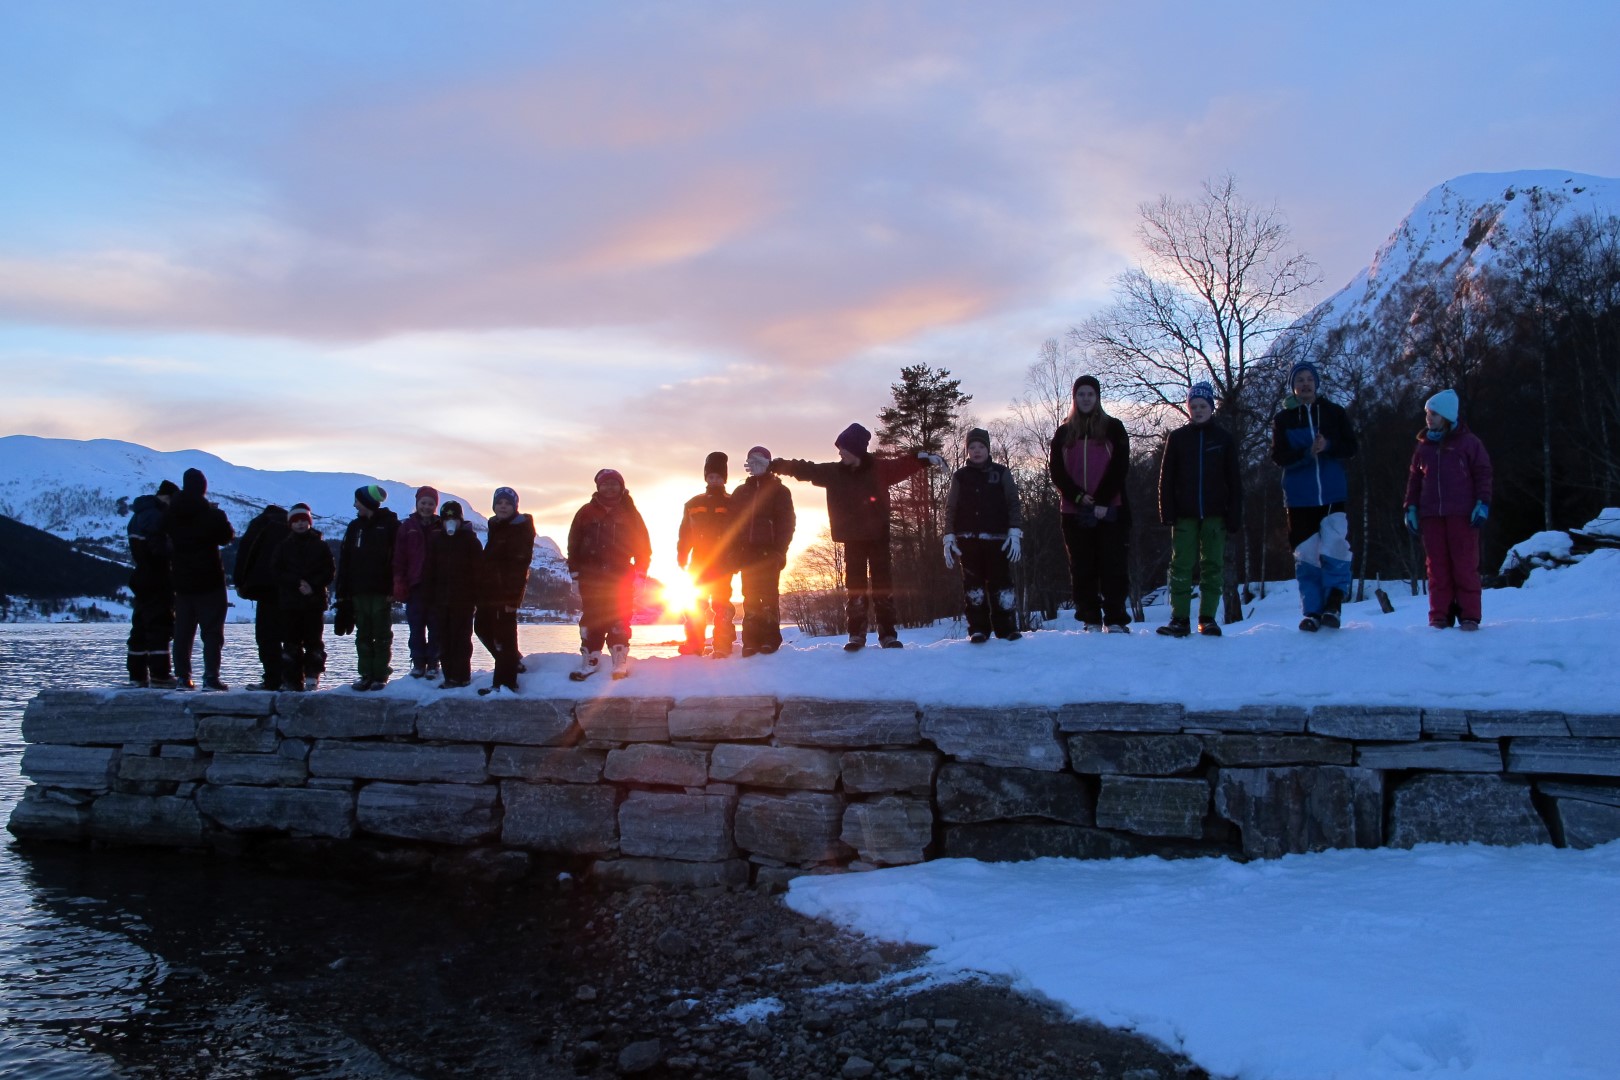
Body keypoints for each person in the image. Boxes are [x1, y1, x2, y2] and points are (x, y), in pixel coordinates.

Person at [773, 423, 940, 651]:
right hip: (852, 539)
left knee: (883, 586)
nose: (840, 453)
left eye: (843, 449)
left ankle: (888, 635)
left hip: (878, 537)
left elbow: (903, 465)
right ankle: (856, 635)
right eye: (839, 449)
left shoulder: (879, 469)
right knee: (855, 588)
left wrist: (923, 459)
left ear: (857, 450)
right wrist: (777, 465)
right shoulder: (835, 472)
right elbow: (807, 469)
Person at [1271, 360, 1359, 632]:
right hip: (1299, 498)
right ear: (1293, 387)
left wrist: (1328, 446)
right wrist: (1306, 454)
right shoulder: (1283, 420)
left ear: (1317, 383)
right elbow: (1278, 456)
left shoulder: (1333, 412)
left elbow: (1351, 447)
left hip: (1332, 493)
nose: (1305, 383)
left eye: (1309, 379)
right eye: (1300, 380)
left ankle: (1333, 603)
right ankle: (1312, 611)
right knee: (1306, 555)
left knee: (1336, 548)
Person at [1156, 382, 1243, 638]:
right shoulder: (1178, 438)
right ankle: (1179, 618)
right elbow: (1166, 478)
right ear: (1188, 408)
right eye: (1193, 406)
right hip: (1184, 514)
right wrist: (1166, 509)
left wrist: (1234, 513)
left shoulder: (1224, 439)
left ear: (1211, 407)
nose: (1198, 410)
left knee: (1212, 566)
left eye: (1203, 406)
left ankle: (1208, 619)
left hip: (1216, 515)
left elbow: (1235, 480)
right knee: (1181, 565)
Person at [1403, 389, 1493, 631]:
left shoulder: (1469, 443)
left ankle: (1469, 616)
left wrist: (1482, 503)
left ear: (1447, 416)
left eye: (1434, 414)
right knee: (1437, 568)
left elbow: (1483, 474)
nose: (1429, 418)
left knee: (1464, 565)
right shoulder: (1423, 447)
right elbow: (1414, 480)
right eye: (1427, 414)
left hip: (1462, 514)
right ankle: (1439, 615)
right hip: (1431, 516)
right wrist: (1410, 507)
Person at [1049, 376, 1132, 633]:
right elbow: (1056, 471)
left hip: (1110, 509)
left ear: (1097, 398)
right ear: (1074, 399)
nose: (1085, 398)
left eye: (1090, 394)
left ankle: (1116, 617)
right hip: (1074, 511)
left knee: (1112, 564)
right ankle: (1091, 618)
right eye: (1081, 394)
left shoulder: (1113, 428)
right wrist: (1077, 495)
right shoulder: (1063, 433)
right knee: (1082, 566)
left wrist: (1103, 499)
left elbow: (1120, 465)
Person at [566, 470, 651, 681]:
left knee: (619, 618)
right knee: (592, 618)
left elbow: (643, 548)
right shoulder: (585, 512)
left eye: (614, 483)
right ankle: (590, 661)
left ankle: (619, 661)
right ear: (598, 487)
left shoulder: (631, 514)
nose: (610, 487)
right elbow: (573, 545)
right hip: (591, 577)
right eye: (606, 484)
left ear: (621, 486)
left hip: (620, 576)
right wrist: (575, 574)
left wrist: (640, 573)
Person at [943, 428, 1023, 644]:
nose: (976, 451)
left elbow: (1013, 502)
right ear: (967, 450)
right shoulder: (960, 476)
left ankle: (1006, 627)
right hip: (968, 541)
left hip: (998, 540)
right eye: (972, 447)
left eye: (981, 447)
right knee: (974, 587)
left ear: (988, 448)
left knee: (1002, 585)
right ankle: (978, 628)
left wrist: (1014, 530)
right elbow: (950, 507)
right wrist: (949, 534)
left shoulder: (1001, 473)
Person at [167, 468, 235, 691]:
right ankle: (211, 677)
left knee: (183, 632)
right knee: (212, 632)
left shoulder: (171, 513)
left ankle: (182, 678)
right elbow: (227, 536)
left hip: (182, 581)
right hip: (210, 580)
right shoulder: (211, 514)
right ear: (203, 488)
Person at [729, 446, 795, 656]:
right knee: (750, 597)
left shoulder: (779, 490)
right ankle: (750, 640)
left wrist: (779, 551)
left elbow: (787, 523)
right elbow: (733, 524)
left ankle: (770, 639)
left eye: (759, 462)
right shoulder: (740, 492)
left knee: (768, 596)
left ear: (768, 463)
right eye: (751, 462)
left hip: (770, 552)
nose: (755, 466)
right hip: (746, 554)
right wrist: (735, 551)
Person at [335, 485, 399, 691]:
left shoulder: (390, 526)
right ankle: (365, 674)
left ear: (368, 503)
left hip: (381, 590)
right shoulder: (355, 527)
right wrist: (343, 592)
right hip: (358, 589)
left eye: (358, 501)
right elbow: (345, 560)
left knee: (381, 633)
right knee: (362, 633)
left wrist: (393, 588)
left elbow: (397, 560)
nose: (355, 505)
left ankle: (380, 674)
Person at [675, 452, 737, 658]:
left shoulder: (733, 502)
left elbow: (739, 532)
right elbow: (684, 533)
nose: (715, 481)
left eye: (719, 478)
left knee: (721, 605)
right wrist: (682, 555)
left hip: (723, 563)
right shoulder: (693, 503)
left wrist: (737, 558)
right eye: (711, 477)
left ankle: (722, 643)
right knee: (695, 605)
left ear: (724, 479)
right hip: (698, 564)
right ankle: (693, 644)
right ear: (706, 478)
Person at [479, 486, 537, 694]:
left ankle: (504, 684)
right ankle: (512, 663)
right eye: (499, 503)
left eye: (507, 503)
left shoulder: (520, 528)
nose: (503, 507)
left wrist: (513, 598)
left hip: (506, 593)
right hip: (489, 592)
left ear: (515, 507)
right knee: (482, 628)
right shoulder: (496, 525)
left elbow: (520, 565)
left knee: (505, 637)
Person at [271, 503, 334, 692]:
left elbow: (329, 571)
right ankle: (291, 679)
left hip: (314, 602)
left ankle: (313, 676)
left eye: (303, 521)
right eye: (296, 521)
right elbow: (276, 571)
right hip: (290, 602)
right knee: (291, 642)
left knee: (314, 641)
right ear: (290, 524)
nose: (300, 524)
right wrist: (297, 583)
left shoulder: (320, 545)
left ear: (309, 523)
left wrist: (312, 585)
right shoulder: (282, 547)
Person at [124, 479, 178, 688]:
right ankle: (160, 674)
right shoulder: (157, 517)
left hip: (141, 576)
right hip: (157, 577)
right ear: (168, 497)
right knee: (160, 625)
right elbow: (160, 550)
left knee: (139, 626)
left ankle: (137, 675)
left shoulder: (137, 516)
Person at [423, 500, 481, 688]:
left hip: (463, 600)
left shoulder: (470, 540)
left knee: (462, 638)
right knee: (444, 638)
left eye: (454, 518)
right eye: (447, 518)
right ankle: (449, 677)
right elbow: (429, 570)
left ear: (460, 520)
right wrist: (430, 594)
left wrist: (475, 596)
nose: (450, 521)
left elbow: (479, 571)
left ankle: (463, 676)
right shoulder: (436, 541)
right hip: (440, 600)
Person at [233, 502, 291, 689]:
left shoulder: (260, 524)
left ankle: (273, 678)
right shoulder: (291, 526)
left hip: (264, 588)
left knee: (267, 636)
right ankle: (293, 676)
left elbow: (245, 553)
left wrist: (241, 582)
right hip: (290, 589)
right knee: (292, 635)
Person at [393, 485, 442, 679]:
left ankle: (433, 662)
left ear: (435, 506)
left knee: (436, 627)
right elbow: (399, 556)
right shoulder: (407, 526)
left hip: (437, 586)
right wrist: (399, 580)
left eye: (430, 503)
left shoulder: (441, 526)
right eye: (423, 503)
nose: (426, 507)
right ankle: (418, 662)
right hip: (415, 585)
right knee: (416, 627)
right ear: (417, 504)